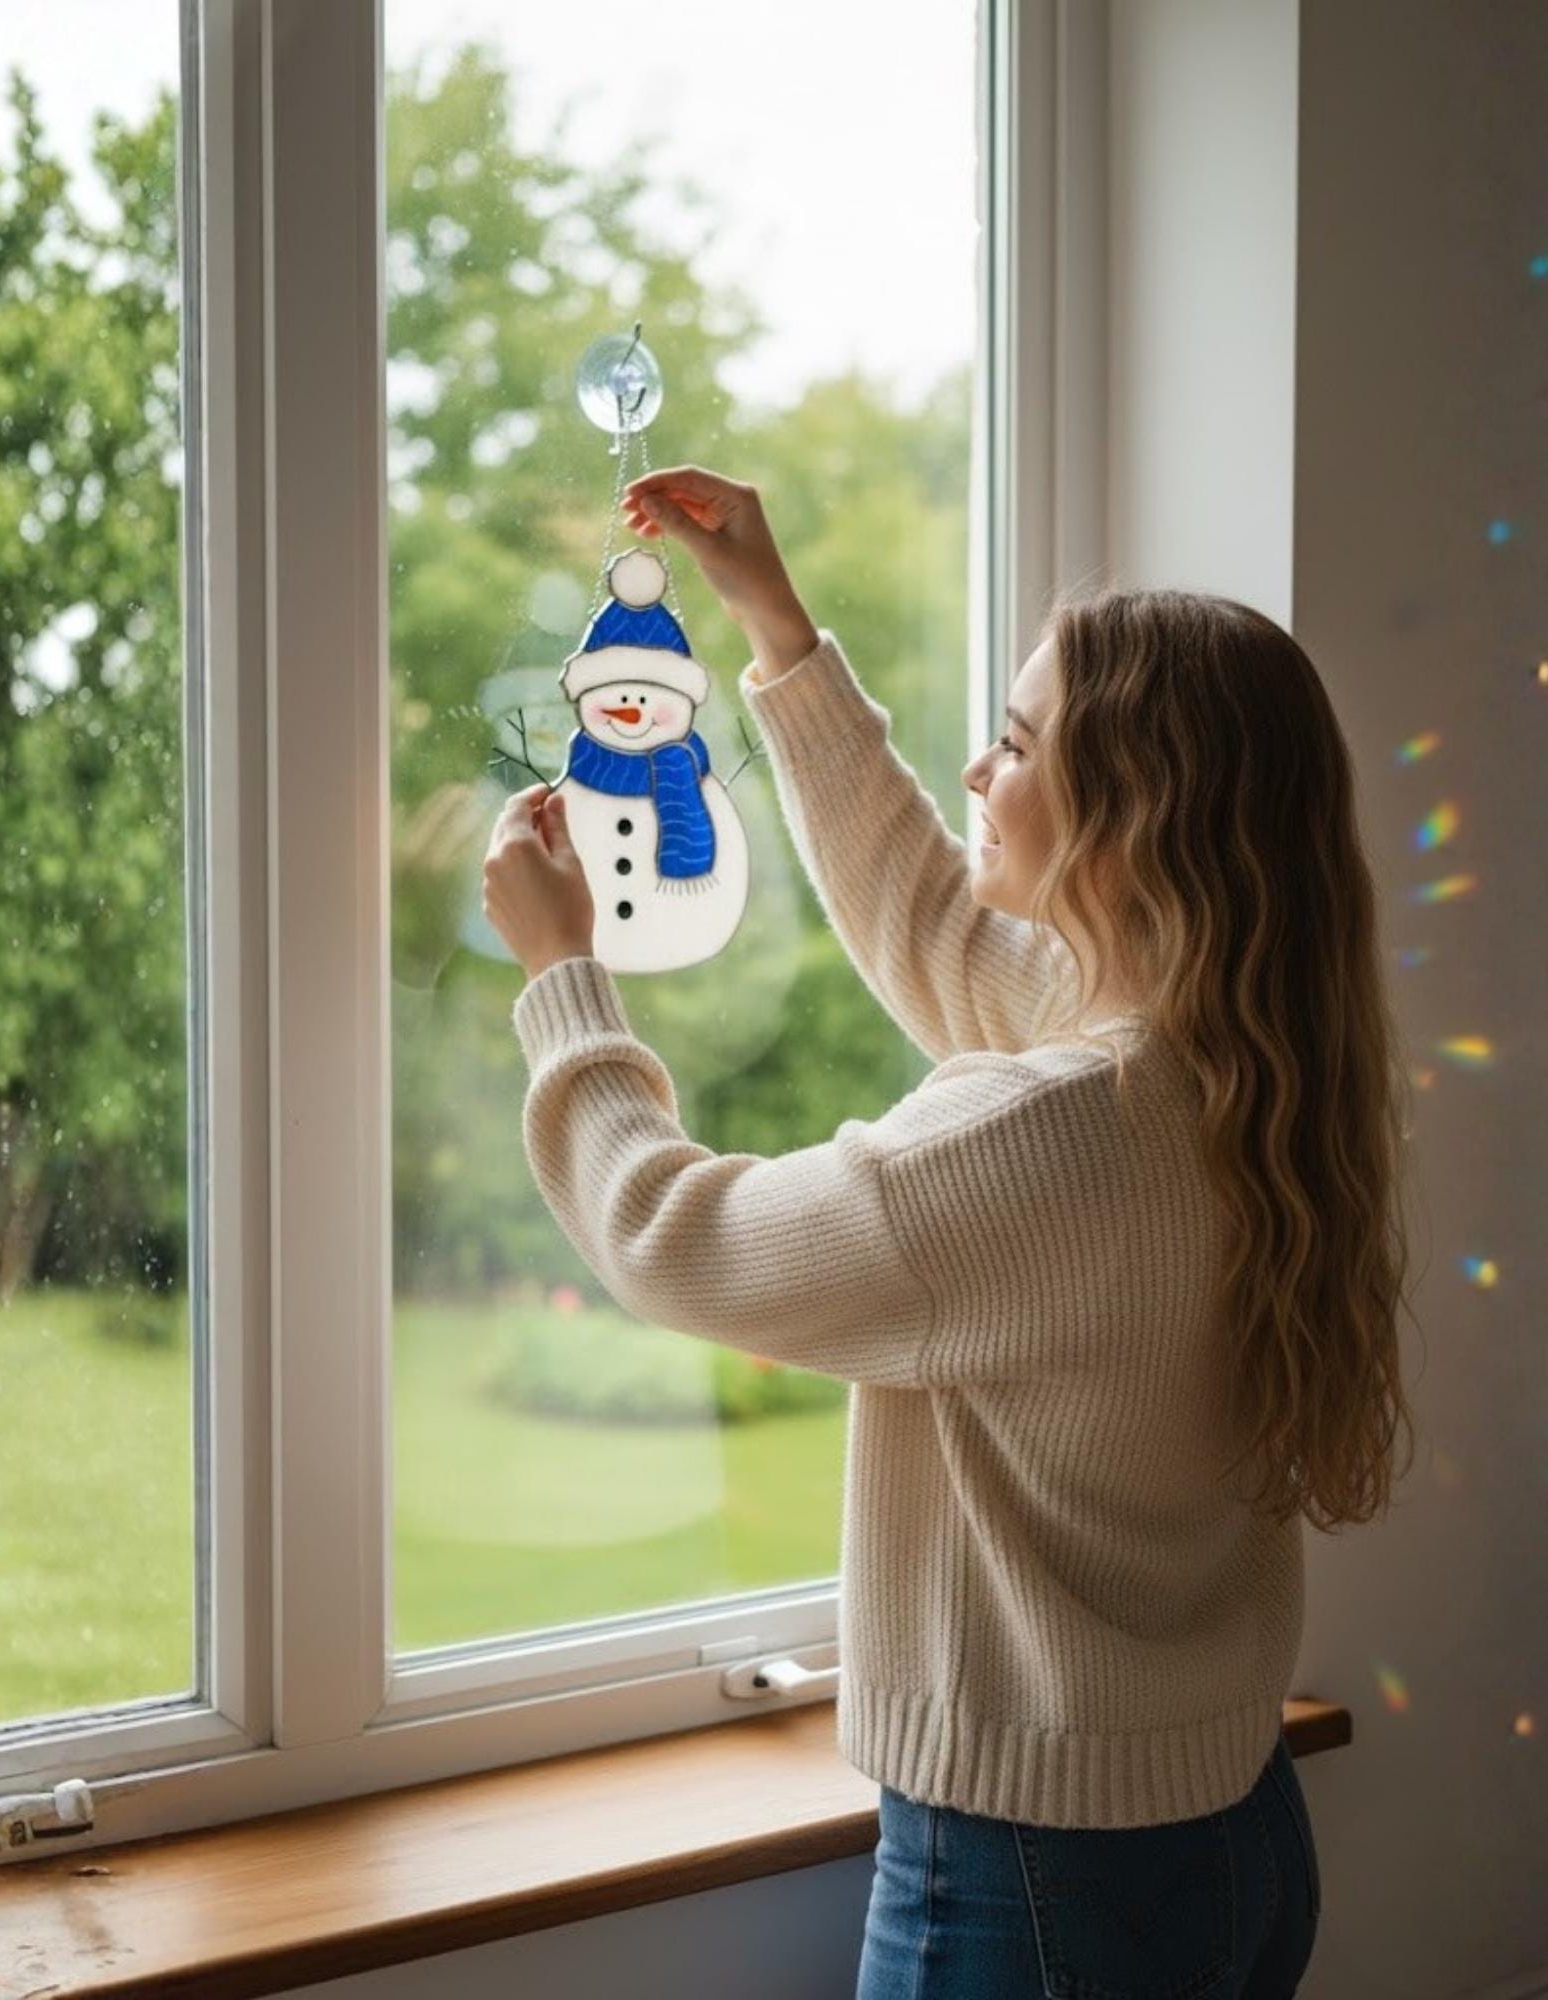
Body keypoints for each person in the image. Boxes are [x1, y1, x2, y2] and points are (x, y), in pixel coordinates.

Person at [481, 465, 1418, 1998]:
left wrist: (562, 982)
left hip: (1042, 1880)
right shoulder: (1250, 1071)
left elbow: (673, 1236)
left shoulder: (1039, 1142)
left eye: (1019, 744)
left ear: (1134, 815)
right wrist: (775, 627)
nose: (981, 775)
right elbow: (928, 920)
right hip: (1238, 1838)